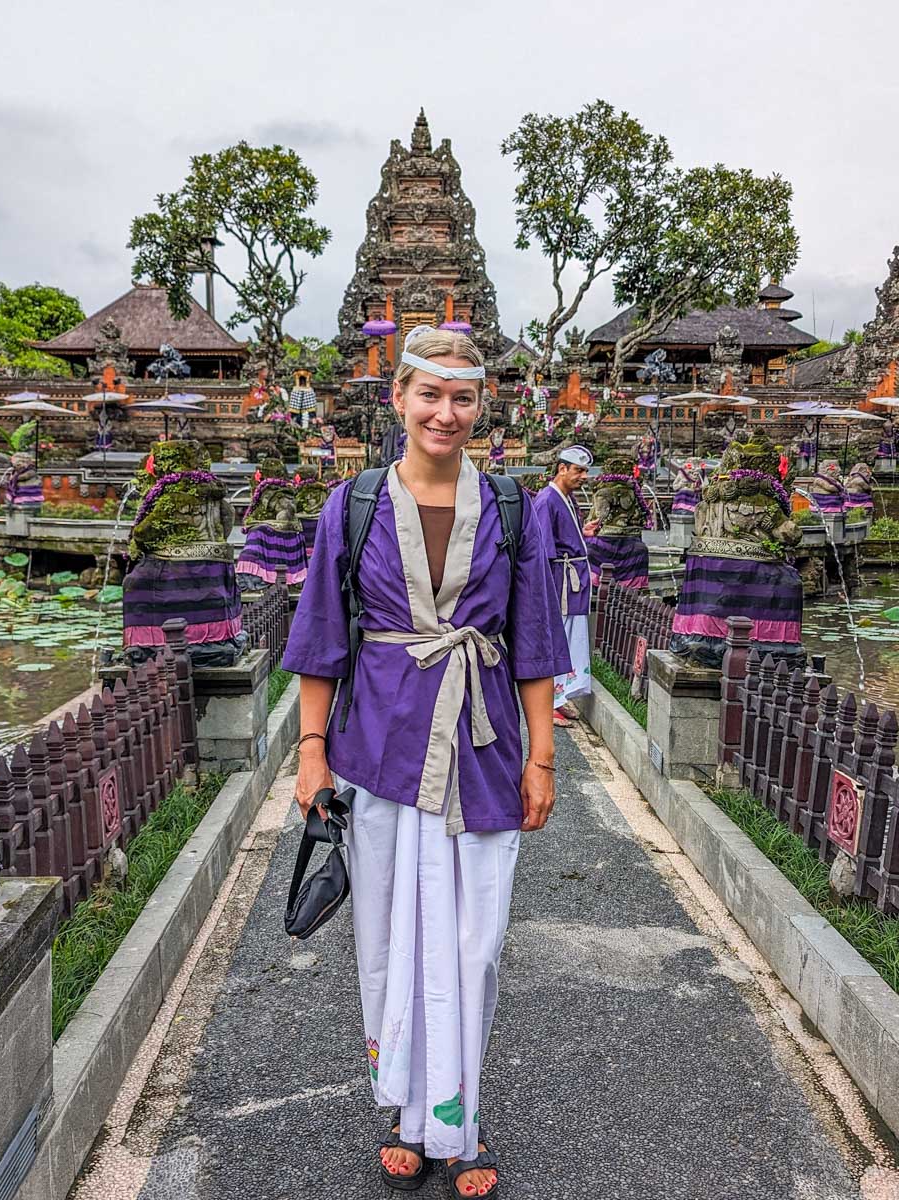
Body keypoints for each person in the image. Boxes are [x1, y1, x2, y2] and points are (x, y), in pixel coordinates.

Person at [283, 325, 570, 1197]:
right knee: (389, 937)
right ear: (398, 399)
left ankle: (460, 1121)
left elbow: (532, 642)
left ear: (483, 406)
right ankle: (405, 1112)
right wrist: (309, 752)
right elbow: (324, 637)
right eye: (429, 395)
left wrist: (544, 757)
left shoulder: (515, 509)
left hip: (481, 754)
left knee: (473, 943)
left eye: (463, 397)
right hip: (377, 750)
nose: (445, 413)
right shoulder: (356, 503)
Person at [533, 446, 593, 727]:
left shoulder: (568, 499)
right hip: (561, 582)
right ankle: (551, 702)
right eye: (579, 470)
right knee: (560, 640)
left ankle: (563, 695)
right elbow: (543, 549)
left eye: (585, 471)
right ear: (562, 469)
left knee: (574, 639)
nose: (584, 476)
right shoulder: (547, 500)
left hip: (574, 580)